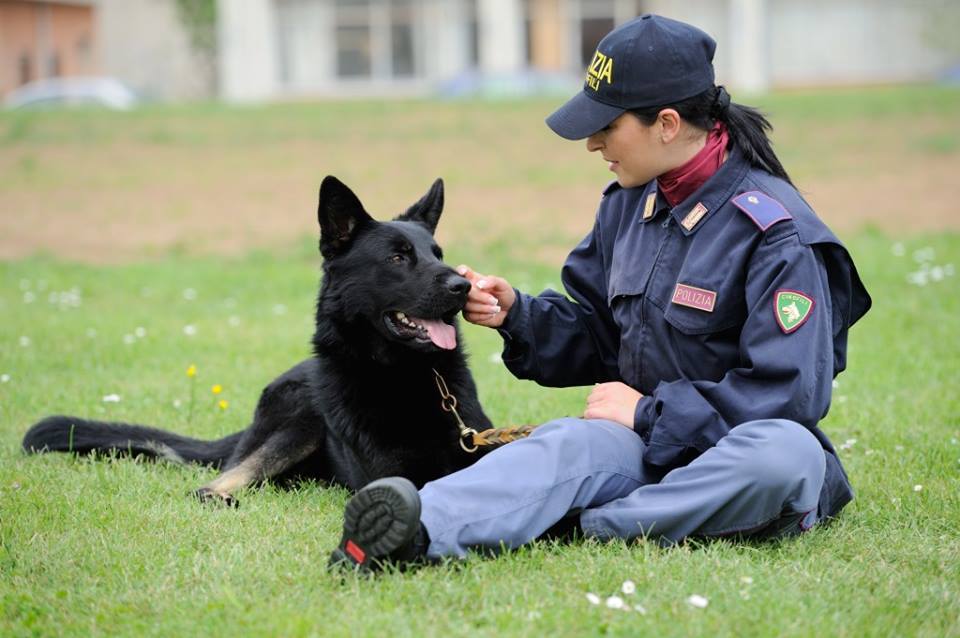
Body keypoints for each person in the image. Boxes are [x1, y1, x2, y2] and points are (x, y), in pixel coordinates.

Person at [328, 14, 871, 571]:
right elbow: (597, 330)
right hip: (646, 448)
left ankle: (588, 523)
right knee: (565, 443)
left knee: (785, 456)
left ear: (665, 123)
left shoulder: (777, 234)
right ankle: (413, 531)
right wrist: (516, 314)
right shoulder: (627, 205)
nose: (592, 143)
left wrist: (647, 412)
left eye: (607, 127)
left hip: (733, 456)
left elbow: (787, 397)